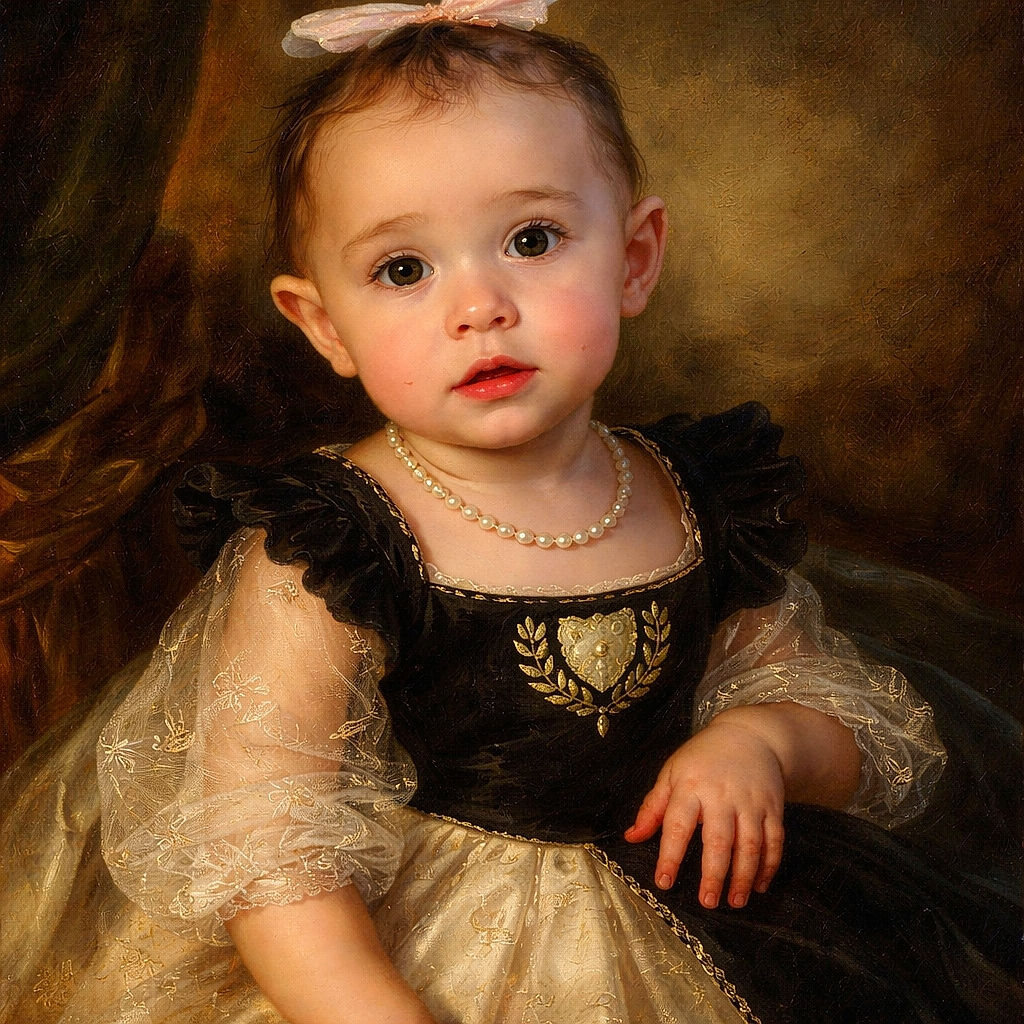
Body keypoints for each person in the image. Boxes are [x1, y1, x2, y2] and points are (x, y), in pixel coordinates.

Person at [1, 3, 1020, 1023]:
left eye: (531, 239)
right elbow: (269, 848)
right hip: (405, 953)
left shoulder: (702, 494)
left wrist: (761, 742)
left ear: (633, 258)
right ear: (323, 325)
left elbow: (839, 730)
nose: (478, 304)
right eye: (403, 269)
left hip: (725, 931)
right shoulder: (329, 543)